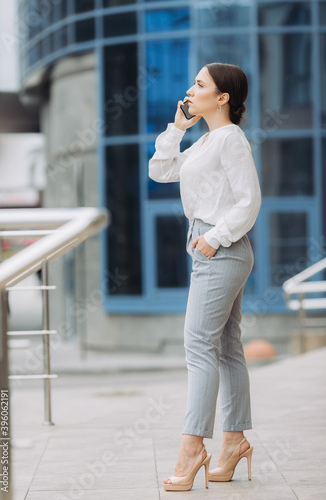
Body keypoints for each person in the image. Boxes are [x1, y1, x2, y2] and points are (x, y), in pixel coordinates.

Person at [148, 62, 262, 492]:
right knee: (227, 348)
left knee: (198, 346)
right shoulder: (206, 142)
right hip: (214, 249)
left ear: (223, 98)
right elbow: (160, 171)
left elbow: (249, 201)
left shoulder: (230, 140)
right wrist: (177, 129)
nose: (189, 90)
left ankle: (193, 447)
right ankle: (233, 442)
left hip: (221, 249)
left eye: (199, 84)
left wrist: (214, 238)